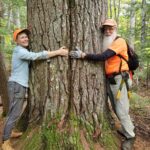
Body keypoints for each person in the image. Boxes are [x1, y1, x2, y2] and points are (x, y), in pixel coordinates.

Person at [70, 19, 135, 150]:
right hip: (112, 80)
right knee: (117, 109)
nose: (108, 31)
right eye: (105, 29)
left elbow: (104, 56)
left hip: (120, 80)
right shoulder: (109, 42)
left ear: (115, 28)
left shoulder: (119, 41)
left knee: (122, 110)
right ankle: (126, 128)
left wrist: (83, 55)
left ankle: (130, 136)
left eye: (110, 28)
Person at [2, 28, 68, 150]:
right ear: (16, 40)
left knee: (14, 112)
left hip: (18, 85)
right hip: (17, 85)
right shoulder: (19, 51)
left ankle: (9, 132)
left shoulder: (21, 51)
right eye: (22, 37)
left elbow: (35, 59)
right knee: (14, 113)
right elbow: (35, 56)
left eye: (26, 36)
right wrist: (57, 52)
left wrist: (48, 55)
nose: (25, 38)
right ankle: (5, 141)